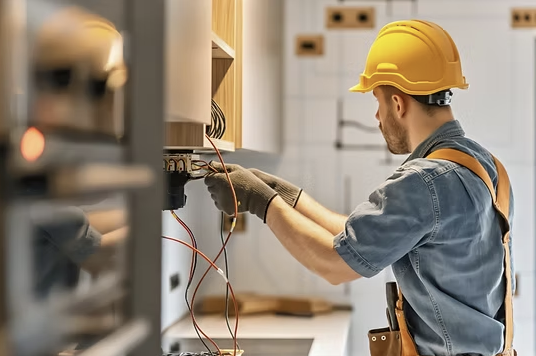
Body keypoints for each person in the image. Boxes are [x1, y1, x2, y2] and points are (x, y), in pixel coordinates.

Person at [204, 20, 516, 356]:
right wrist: (287, 195)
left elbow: (334, 263)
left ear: (398, 103)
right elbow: (361, 236)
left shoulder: (424, 182)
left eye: (378, 103)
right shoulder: (486, 168)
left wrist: (260, 201)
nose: (377, 117)